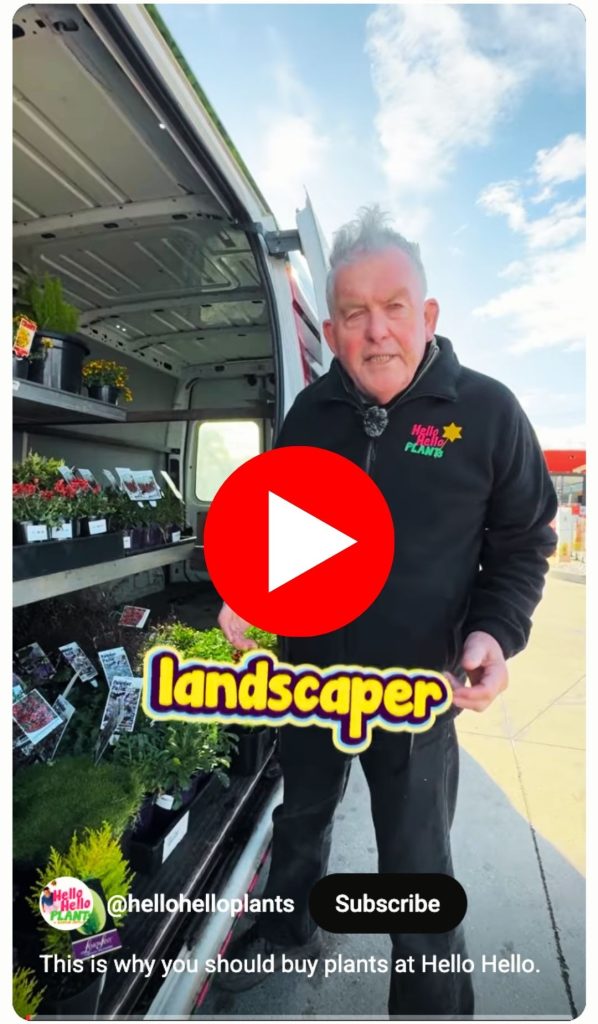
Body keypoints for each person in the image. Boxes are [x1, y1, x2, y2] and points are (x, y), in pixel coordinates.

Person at [217, 206, 558, 1018]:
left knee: (415, 862)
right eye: (356, 315)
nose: (377, 333)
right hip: (306, 680)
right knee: (298, 818)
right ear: (331, 330)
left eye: (394, 307)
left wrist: (492, 634)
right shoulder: (311, 417)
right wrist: (248, 588)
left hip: (415, 692)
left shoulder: (487, 413)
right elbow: (281, 523)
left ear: (428, 314)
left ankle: (431, 1001)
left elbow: (523, 543)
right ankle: (289, 930)